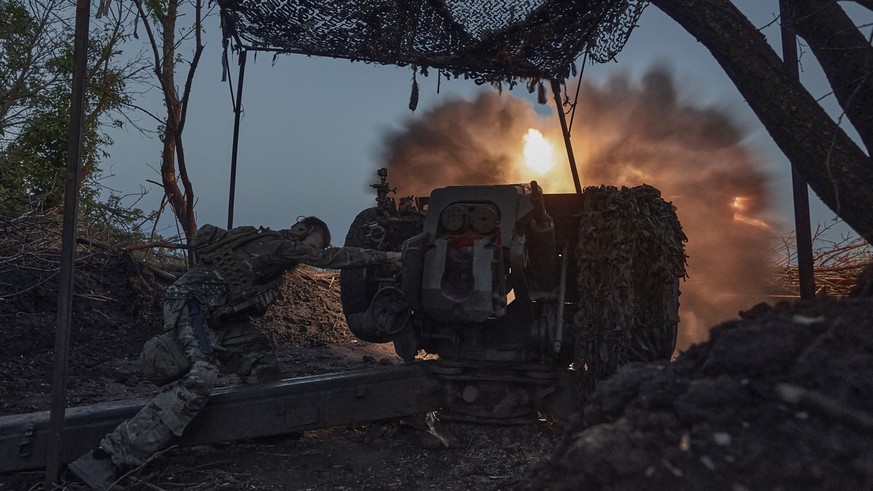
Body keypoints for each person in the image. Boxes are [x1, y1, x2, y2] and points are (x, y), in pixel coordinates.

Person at [67, 216, 401, 490]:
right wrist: (393, 257)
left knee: (258, 353)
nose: (309, 253)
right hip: (192, 303)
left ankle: (266, 427)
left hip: (218, 314)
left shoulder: (275, 263)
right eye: (312, 244)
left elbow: (242, 302)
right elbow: (333, 259)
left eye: (313, 248)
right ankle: (108, 458)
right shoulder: (277, 244)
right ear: (301, 233)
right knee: (201, 377)